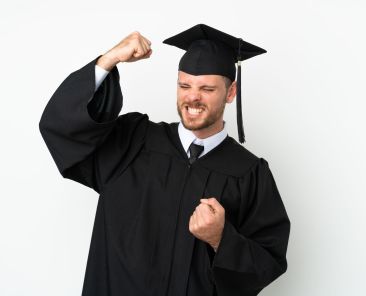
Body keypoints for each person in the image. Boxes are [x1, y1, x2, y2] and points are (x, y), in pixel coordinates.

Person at [39, 24, 290, 296]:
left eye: (207, 88)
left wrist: (221, 240)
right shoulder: (133, 141)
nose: (192, 96)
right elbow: (63, 129)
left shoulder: (249, 173)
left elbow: (268, 262)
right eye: (184, 85)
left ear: (230, 93)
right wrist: (108, 60)